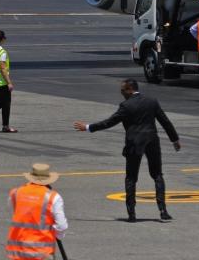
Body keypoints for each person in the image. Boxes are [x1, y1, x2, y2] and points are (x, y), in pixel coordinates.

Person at [74, 78, 180, 222]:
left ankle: (131, 213)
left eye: (123, 90)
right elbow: (165, 121)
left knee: (131, 177)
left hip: (134, 143)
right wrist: (174, 140)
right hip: (151, 141)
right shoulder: (151, 101)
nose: (121, 93)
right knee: (157, 175)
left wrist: (88, 127)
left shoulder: (126, 106)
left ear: (130, 90)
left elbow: (109, 122)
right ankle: (163, 210)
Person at [5, 163, 68, 260]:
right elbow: (61, 226)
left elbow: (14, 213)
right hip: (41, 252)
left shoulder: (16, 193)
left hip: (17, 251)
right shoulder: (53, 197)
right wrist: (57, 234)